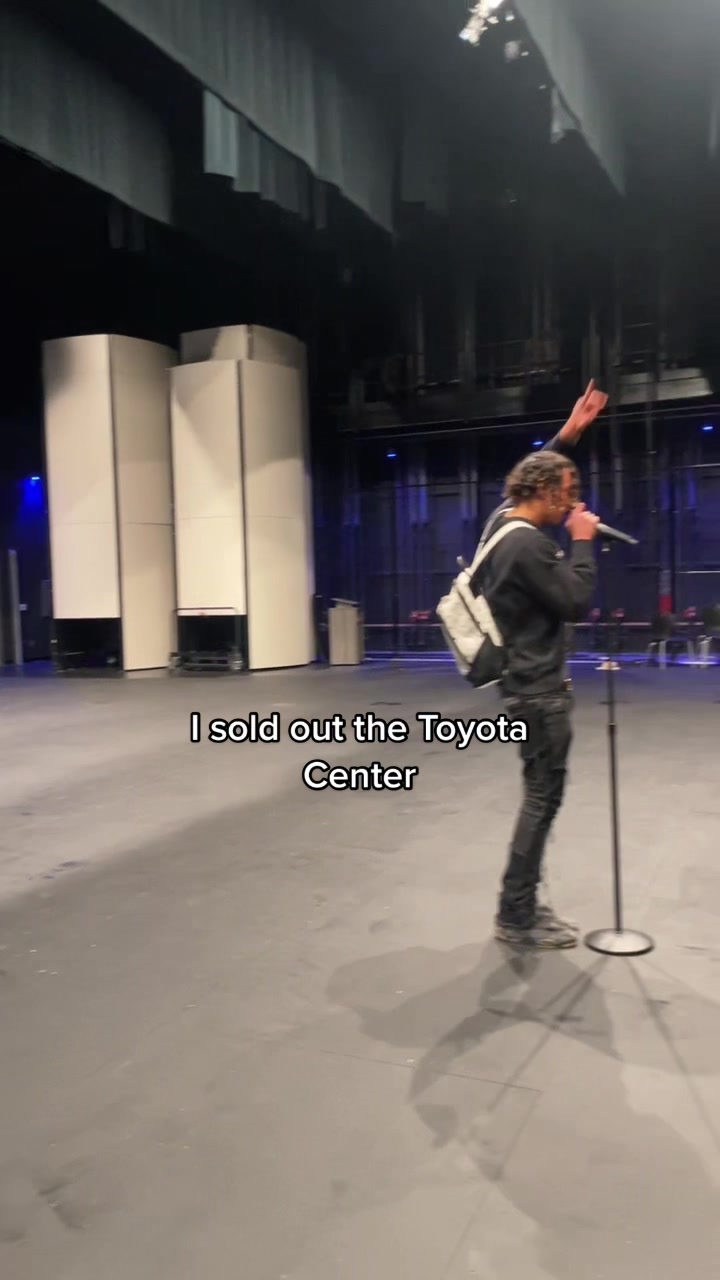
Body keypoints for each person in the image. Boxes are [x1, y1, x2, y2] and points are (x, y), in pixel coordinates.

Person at [473, 381, 607, 949]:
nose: (574, 504)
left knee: (538, 797)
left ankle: (522, 904)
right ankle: (516, 915)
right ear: (547, 494)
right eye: (569, 494)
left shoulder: (503, 523)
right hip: (540, 694)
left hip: (521, 687)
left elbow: (534, 475)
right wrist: (583, 542)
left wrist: (568, 435)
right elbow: (575, 601)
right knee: (541, 801)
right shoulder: (529, 545)